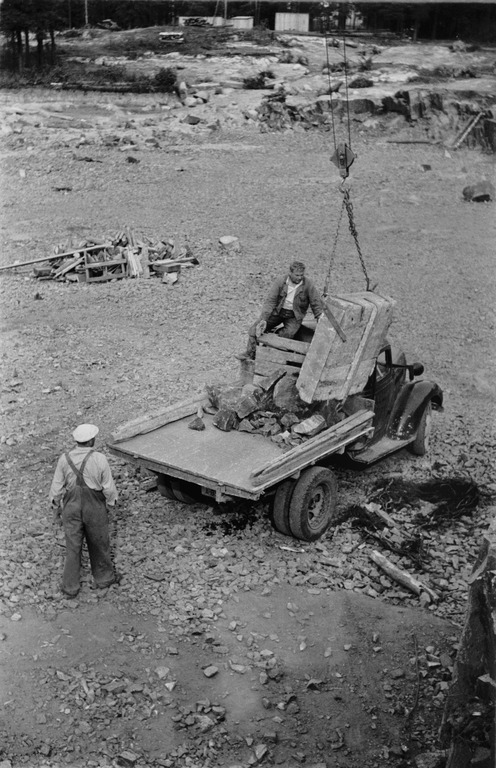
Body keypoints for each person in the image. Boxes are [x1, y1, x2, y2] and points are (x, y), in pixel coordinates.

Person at [49, 423, 119, 597]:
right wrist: (111, 505)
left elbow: (56, 488)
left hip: (71, 507)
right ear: (92, 440)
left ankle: (70, 587)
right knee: (99, 542)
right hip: (94, 506)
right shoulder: (99, 459)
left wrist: (55, 507)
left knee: (73, 546)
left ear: (77, 441)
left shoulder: (64, 459)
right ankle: (104, 578)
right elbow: (108, 487)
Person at [237, 260, 324, 361]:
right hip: (278, 312)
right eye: (297, 275)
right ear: (290, 273)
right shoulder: (280, 282)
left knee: (288, 334)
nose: (299, 278)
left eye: (301, 275)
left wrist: (319, 318)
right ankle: (250, 354)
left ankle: (271, 350)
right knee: (254, 329)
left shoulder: (308, 284)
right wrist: (264, 319)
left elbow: (315, 302)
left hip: (294, 316)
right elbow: (271, 301)